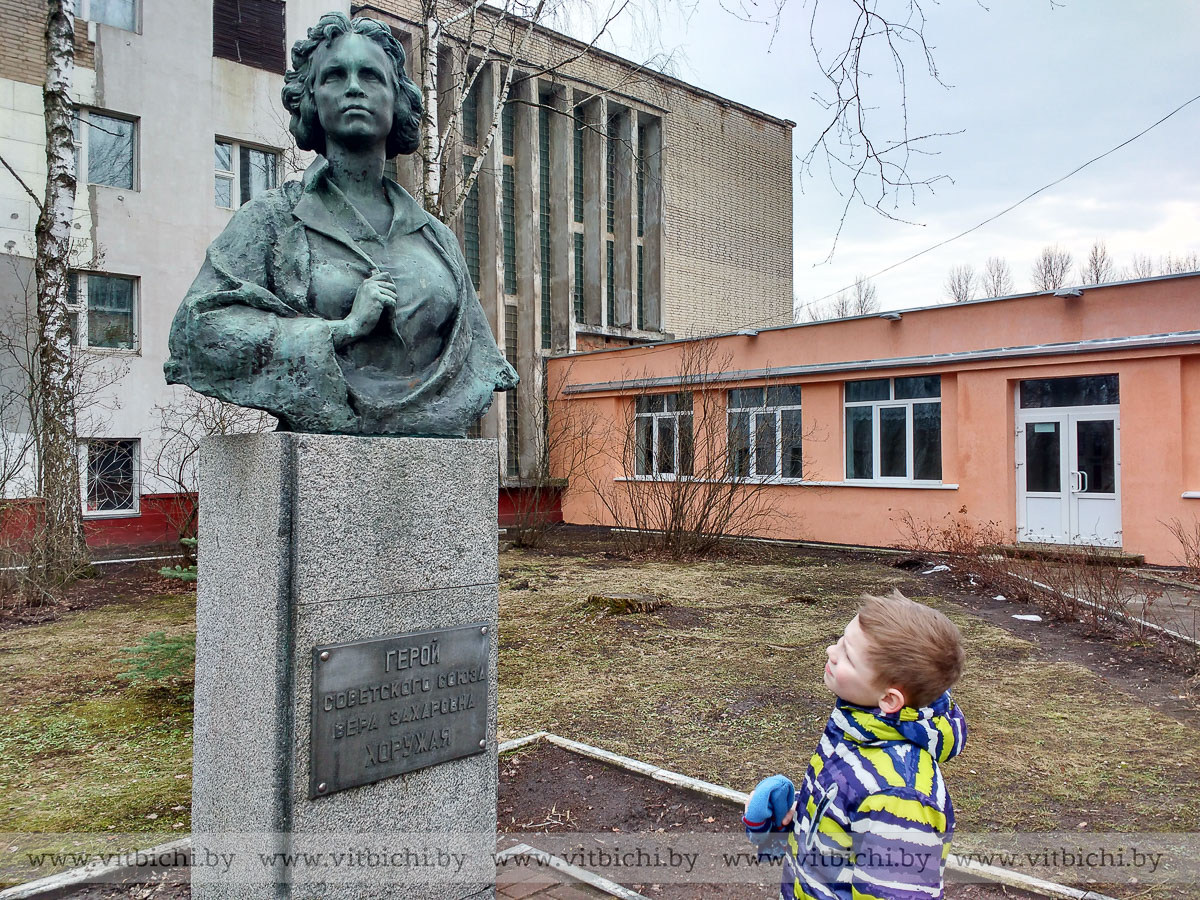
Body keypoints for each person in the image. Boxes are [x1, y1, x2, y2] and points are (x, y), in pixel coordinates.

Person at [164, 13, 517, 436]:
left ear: (396, 98)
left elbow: (478, 353)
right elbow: (198, 329)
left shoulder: (435, 237)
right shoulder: (273, 220)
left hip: (438, 439)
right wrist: (338, 330)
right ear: (312, 97)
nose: (354, 87)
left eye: (370, 75)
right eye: (334, 75)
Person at [745, 590, 967, 900]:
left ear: (889, 699)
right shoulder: (856, 729)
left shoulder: (899, 796)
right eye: (840, 641)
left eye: (848, 655)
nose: (831, 651)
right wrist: (797, 810)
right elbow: (847, 814)